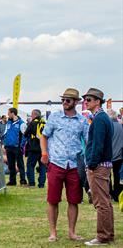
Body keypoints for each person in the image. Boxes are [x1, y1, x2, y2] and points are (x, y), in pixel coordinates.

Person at [40, 88, 88, 242]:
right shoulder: (54, 118)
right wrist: (44, 153)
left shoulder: (82, 121)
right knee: (53, 199)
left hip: (75, 165)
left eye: (68, 100)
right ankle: (53, 232)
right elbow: (44, 136)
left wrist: (88, 161)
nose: (64, 103)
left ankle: (72, 232)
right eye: (63, 100)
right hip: (56, 163)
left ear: (76, 102)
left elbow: (88, 141)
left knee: (74, 200)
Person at [82, 88, 114, 246]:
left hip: (99, 165)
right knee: (105, 202)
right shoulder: (101, 117)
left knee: (101, 202)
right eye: (85, 99)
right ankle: (108, 234)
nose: (85, 102)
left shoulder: (100, 119)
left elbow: (98, 145)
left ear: (97, 101)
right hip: (103, 164)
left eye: (88, 99)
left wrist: (92, 164)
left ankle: (103, 236)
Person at [0, 108, 27, 186]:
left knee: (20, 164)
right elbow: (5, 134)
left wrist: (21, 146)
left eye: (9, 113)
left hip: (17, 147)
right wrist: (4, 144)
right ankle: (12, 181)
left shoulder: (21, 123)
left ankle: (23, 180)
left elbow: (25, 135)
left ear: (13, 113)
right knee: (11, 165)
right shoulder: (8, 123)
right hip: (9, 147)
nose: (8, 115)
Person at [25, 109, 47, 189]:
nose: (31, 116)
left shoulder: (33, 123)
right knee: (42, 167)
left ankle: (31, 183)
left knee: (30, 165)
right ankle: (41, 184)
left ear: (34, 115)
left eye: (31, 114)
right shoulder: (44, 123)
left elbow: (26, 133)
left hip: (33, 147)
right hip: (43, 148)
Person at [108, 107, 123, 202]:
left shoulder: (108, 127)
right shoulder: (121, 126)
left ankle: (109, 194)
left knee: (107, 177)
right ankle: (117, 195)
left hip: (109, 156)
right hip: (119, 156)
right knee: (117, 176)